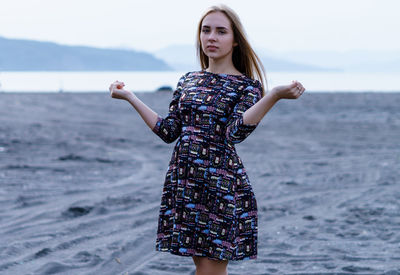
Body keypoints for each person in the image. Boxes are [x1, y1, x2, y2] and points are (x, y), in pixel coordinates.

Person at [109, 4, 305, 275]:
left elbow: (235, 133)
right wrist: (131, 97)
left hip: (220, 184)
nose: (211, 37)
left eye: (221, 31)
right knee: (206, 268)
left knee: (210, 269)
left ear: (235, 40)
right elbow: (169, 131)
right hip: (185, 181)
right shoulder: (188, 80)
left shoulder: (247, 86)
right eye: (206, 30)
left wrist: (272, 96)